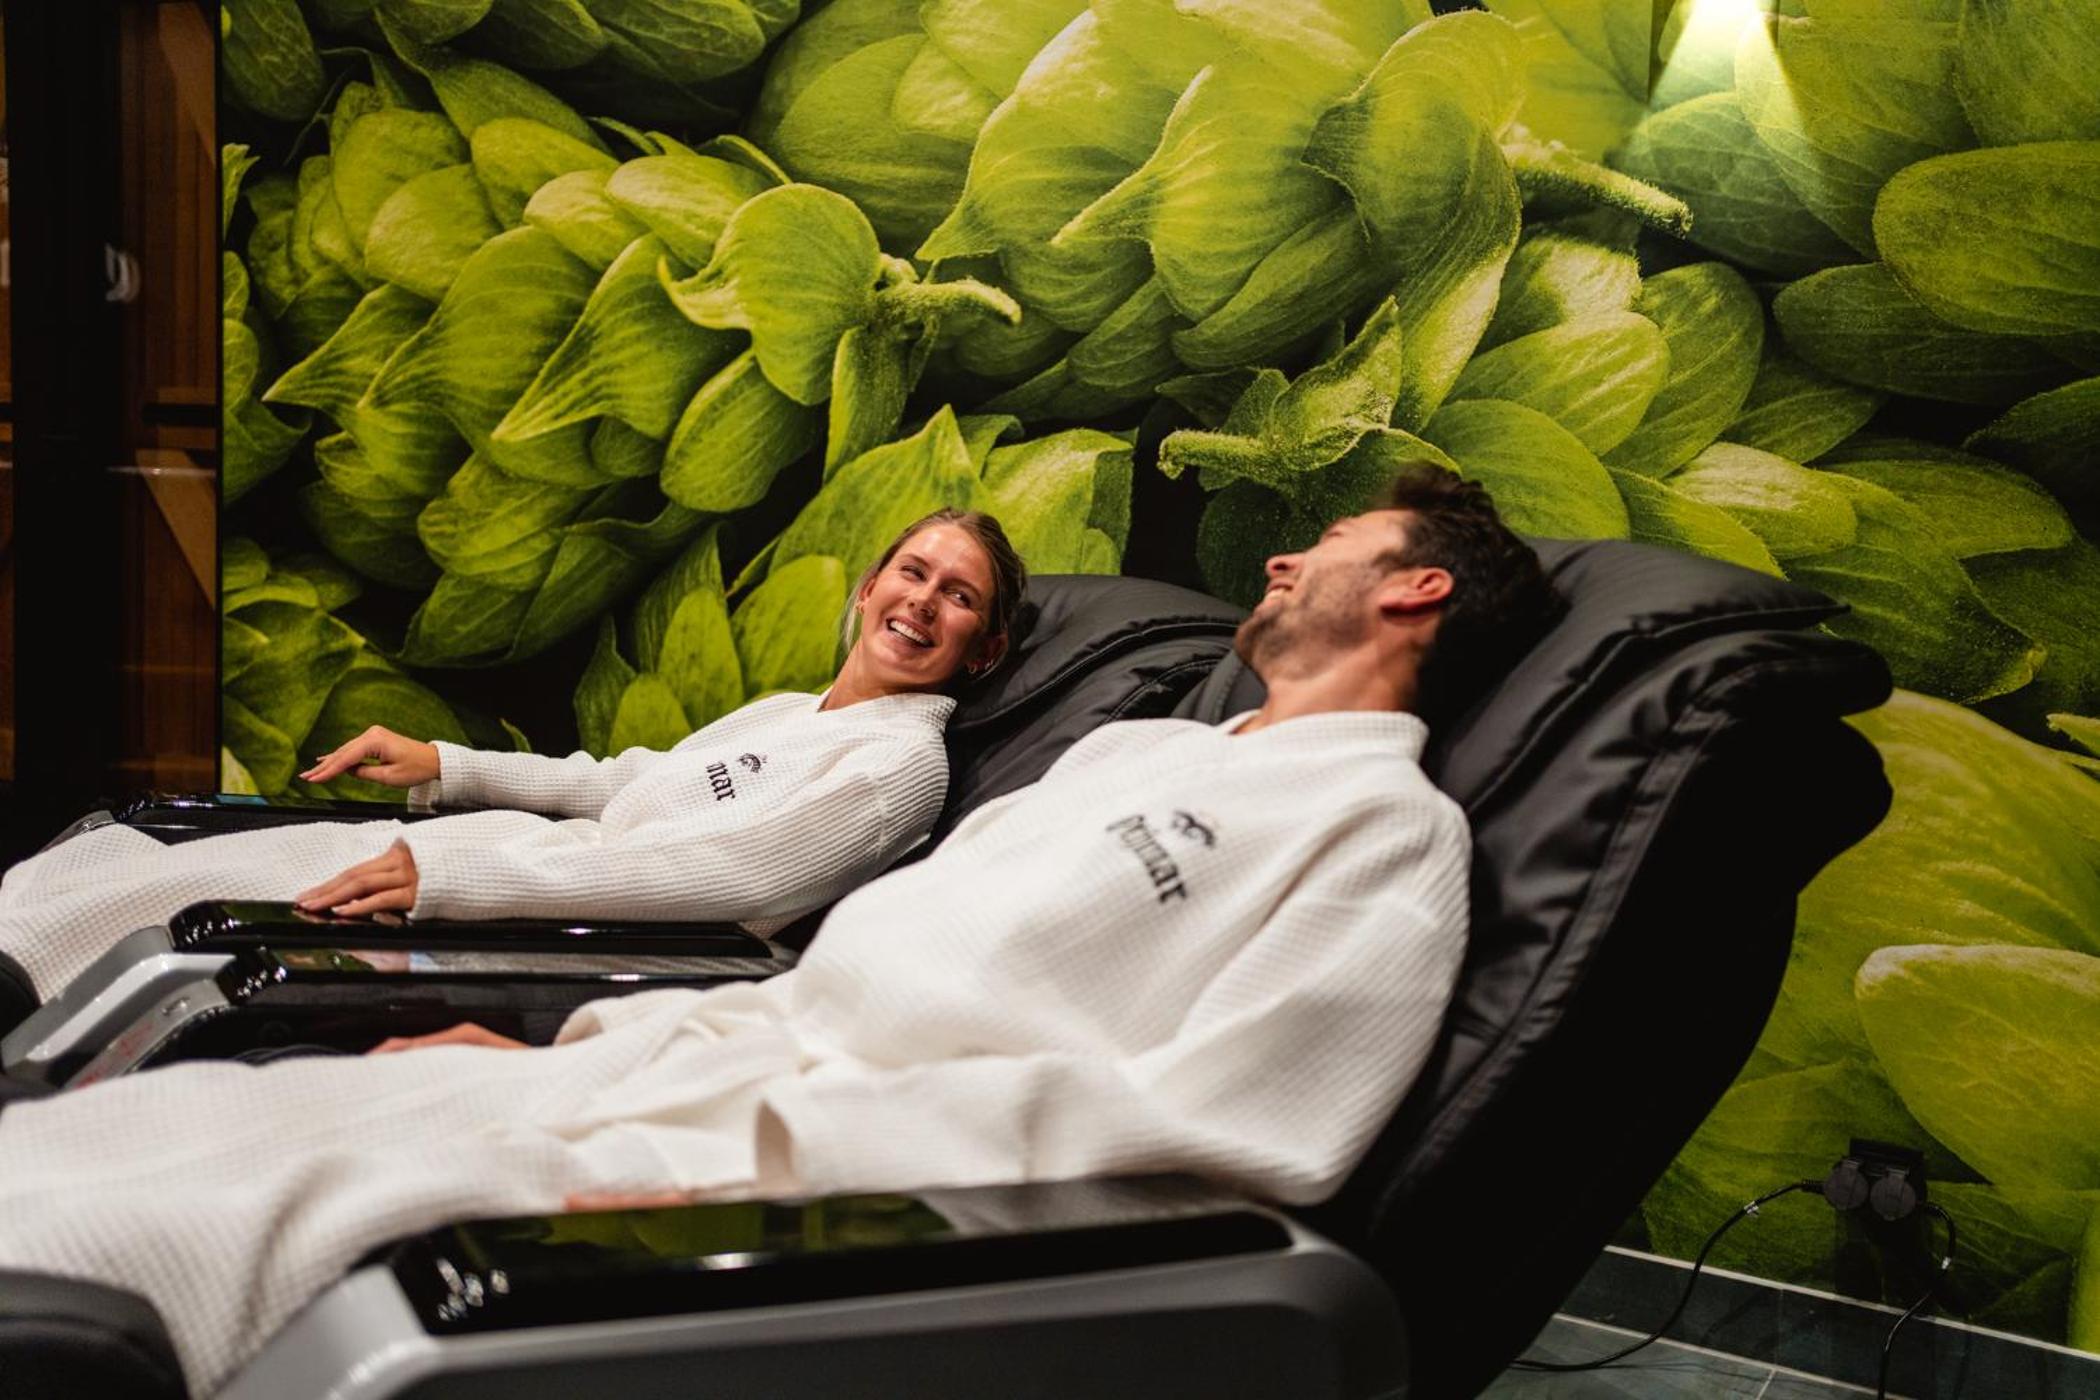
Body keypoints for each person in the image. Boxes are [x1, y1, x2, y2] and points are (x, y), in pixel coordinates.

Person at [0, 465, 1554, 1397]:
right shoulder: (1138, 753)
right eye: (909, 571)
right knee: (231, 1112)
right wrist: (591, 1044)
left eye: (1328, 543)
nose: (1284, 559)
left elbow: (1244, 1135)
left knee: (268, 1212)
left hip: (808, 1164)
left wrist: (765, 1178)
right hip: (699, 1070)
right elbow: (823, 967)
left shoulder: (1382, 834)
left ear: (1413, 588)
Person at [0, 509, 1026, 1002]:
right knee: (143, 865)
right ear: (868, 587)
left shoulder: (902, 766)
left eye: (959, 596)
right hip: (519, 863)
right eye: (912, 572)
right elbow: (626, 783)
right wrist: (448, 765)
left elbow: (729, 878)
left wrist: (457, 879)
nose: (922, 602)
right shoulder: (790, 711)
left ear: (981, 649)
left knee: (207, 904)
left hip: (571, 932)